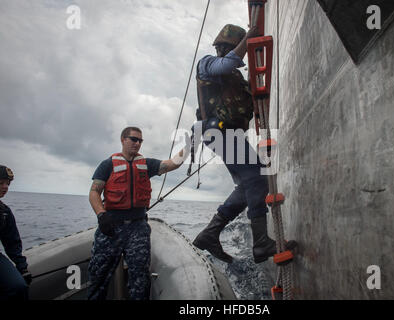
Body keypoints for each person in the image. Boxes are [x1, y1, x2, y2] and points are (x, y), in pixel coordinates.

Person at [192, 24, 277, 264]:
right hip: (218, 132)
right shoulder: (207, 64)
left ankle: (209, 234)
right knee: (258, 177)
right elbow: (227, 64)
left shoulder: (236, 79)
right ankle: (260, 242)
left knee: (246, 185)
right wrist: (249, 40)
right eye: (227, 47)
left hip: (228, 135)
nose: (223, 50)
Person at [87, 126, 190, 300]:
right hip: (111, 227)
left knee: (140, 278)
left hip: (138, 228)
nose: (137, 143)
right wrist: (101, 215)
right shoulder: (107, 164)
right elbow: (94, 192)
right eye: (133, 139)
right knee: (99, 275)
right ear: (123, 140)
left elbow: (173, 163)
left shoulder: (146, 164)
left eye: (140, 140)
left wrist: (189, 146)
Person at [0, 165, 32, 300]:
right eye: (1, 183)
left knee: (19, 287)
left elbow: (12, 243)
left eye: (7, 184)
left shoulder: (4, 213)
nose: (5, 187)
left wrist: (22, 267)